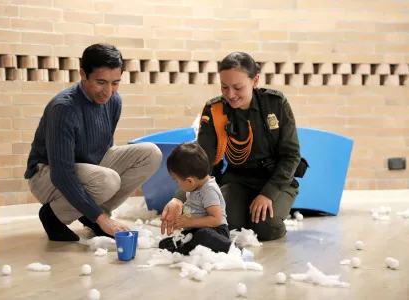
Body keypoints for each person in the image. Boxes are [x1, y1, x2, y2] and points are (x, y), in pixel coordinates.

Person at [161, 52, 307, 242]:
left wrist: (268, 193)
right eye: (224, 87)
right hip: (238, 179)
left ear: (255, 80)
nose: (230, 94)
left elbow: (291, 155)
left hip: (275, 179)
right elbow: (202, 159)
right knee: (222, 222)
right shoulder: (215, 110)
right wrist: (179, 197)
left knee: (265, 227)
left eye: (238, 87)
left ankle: (271, 211)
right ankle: (244, 212)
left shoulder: (275, 104)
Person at [24, 43, 162, 242]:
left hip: (87, 169)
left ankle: (93, 216)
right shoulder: (63, 108)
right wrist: (103, 219)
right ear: (83, 74)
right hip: (47, 174)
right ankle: (53, 216)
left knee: (151, 153)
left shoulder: (114, 101)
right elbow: (62, 174)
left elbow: (106, 147)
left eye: (115, 83)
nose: (108, 91)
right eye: (101, 82)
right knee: (107, 180)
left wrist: (98, 213)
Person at [158, 142, 232, 255]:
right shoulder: (193, 187)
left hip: (216, 231)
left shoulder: (209, 190)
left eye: (176, 181)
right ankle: (189, 246)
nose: (177, 185)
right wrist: (181, 221)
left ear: (190, 181)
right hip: (195, 230)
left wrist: (190, 222)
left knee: (203, 235)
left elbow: (216, 219)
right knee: (165, 244)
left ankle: (234, 249)